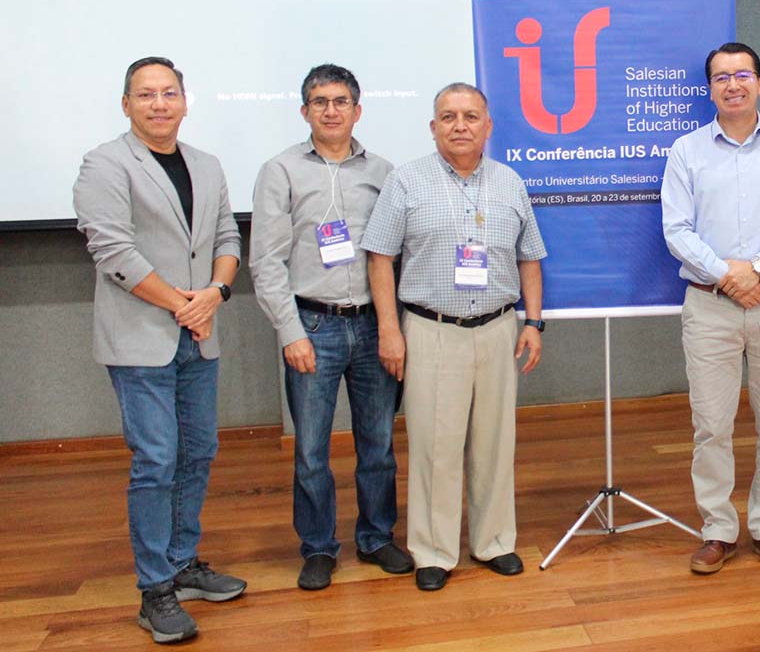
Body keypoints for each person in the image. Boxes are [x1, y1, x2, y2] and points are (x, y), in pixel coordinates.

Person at [73, 57, 246, 644]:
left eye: (168, 93)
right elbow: (113, 252)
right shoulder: (104, 163)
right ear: (126, 104)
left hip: (199, 333)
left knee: (198, 451)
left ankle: (182, 563)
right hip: (142, 336)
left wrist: (217, 293)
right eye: (145, 95)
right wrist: (182, 303)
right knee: (156, 459)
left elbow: (227, 238)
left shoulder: (206, 164)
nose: (158, 104)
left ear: (185, 100)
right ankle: (154, 590)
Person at [361, 82, 547, 592]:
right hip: (431, 329)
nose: (459, 125)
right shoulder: (407, 181)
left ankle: (493, 542)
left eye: (470, 116)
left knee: (494, 443)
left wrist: (533, 322)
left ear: (488, 126)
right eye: (448, 117)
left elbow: (529, 255)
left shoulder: (510, 182)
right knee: (434, 446)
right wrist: (388, 328)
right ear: (433, 127)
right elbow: (379, 255)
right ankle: (433, 550)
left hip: (498, 330)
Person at [249, 64, 412, 591]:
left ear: (357, 110)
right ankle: (318, 546)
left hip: (371, 326)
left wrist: (395, 326)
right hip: (312, 324)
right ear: (305, 112)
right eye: (319, 102)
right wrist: (290, 331)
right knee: (312, 449)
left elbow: (396, 254)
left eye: (341, 101)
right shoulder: (281, 171)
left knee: (378, 443)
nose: (331, 110)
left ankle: (376, 536)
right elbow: (266, 261)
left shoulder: (385, 172)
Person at [661, 41, 760, 574]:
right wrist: (729, 275)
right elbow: (676, 229)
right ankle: (718, 527)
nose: (733, 84)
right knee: (712, 425)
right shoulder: (686, 151)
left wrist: (758, 269)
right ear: (709, 88)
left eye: (743, 74)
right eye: (721, 77)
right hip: (710, 306)